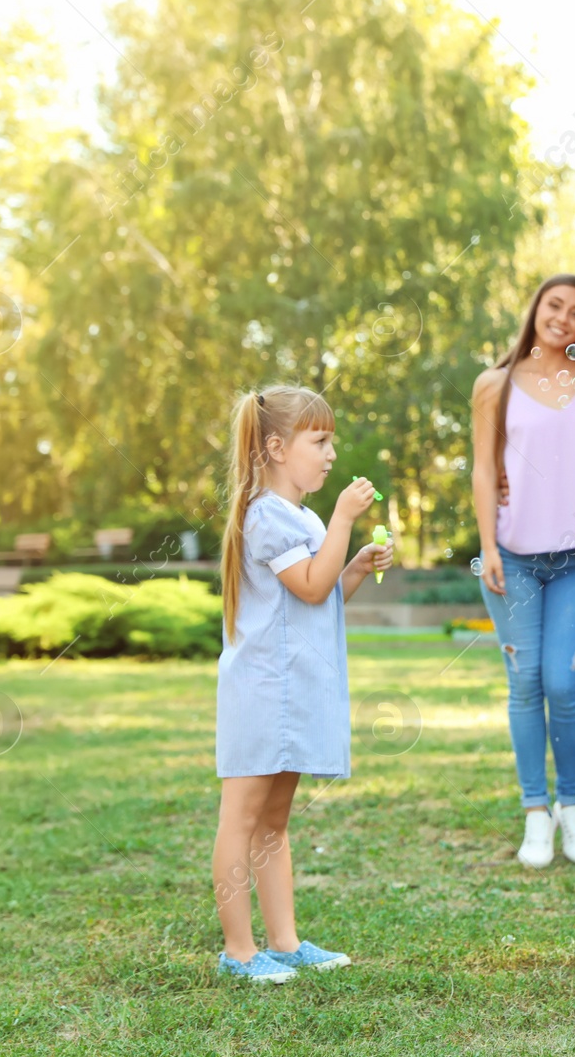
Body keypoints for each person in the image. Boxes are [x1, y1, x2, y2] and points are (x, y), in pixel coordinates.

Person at [212, 385, 394, 983]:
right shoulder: (264, 515)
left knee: (275, 823)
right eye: (319, 441)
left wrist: (357, 565)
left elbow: (323, 598)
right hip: (263, 692)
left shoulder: (303, 517)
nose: (331, 453)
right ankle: (239, 951)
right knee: (241, 820)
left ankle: (285, 942)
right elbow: (311, 587)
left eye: (330, 441)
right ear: (275, 446)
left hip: (291, 691)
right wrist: (344, 519)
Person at [471, 274, 575, 869]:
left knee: (562, 684)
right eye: (555, 305)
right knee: (523, 687)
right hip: (512, 561)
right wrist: (487, 546)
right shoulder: (494, 384)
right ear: (536, 308)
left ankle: (570, 807)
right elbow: (482, 470)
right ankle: (534, 814)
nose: (564, 319)